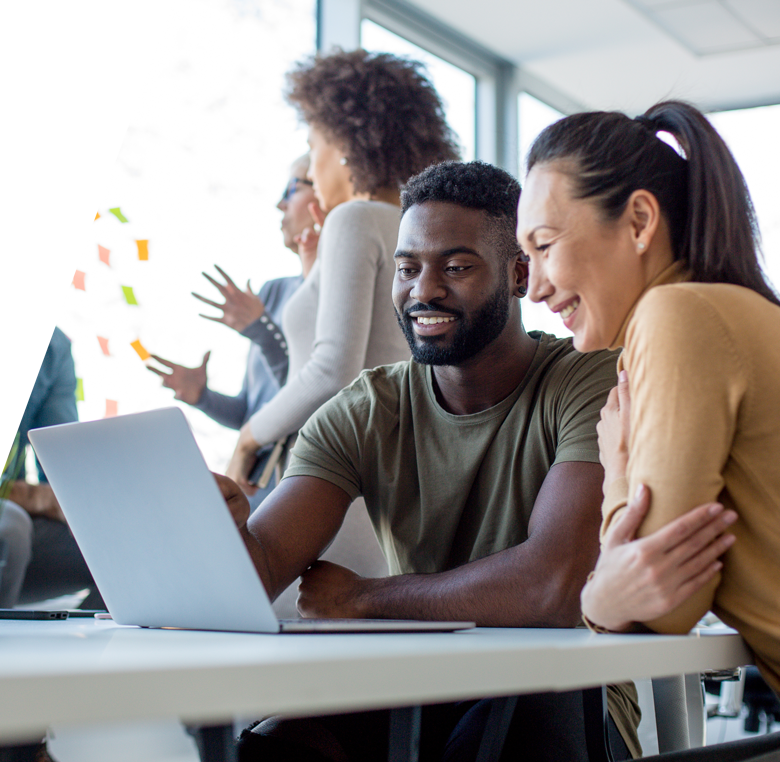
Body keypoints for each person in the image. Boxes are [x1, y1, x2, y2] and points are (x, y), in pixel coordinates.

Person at [216, 161, 641, 761]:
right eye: (408, 268)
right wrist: (220, 532)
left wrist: (366, 599)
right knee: (279, 746)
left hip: (562, 694)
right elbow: (260, 568)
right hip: (416, 690)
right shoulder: (367, 407)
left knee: (498, 729)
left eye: (458, 267)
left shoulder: (588, 381)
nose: (424, 290)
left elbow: (553, 588)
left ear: (519, 274)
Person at [517, 100, 780, 696]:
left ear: (638, 221)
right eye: (524, 258)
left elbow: (665, 605)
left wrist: (618, 462)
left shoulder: (675, 314)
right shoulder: (724, 311)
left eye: (546, 245)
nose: (532, 288)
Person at [225, 49, 460, 494]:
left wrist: (247, 437)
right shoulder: (418, 227)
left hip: (332, 474)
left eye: (314, 148)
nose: (312, 167)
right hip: (387, 466)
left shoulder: (354, 220)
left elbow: (333, 369)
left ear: (347, 143)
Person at [148, 154, 320, 509]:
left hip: (296, 481)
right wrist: (203, 397)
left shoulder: (335, 296)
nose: (280, 203)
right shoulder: (272, 291)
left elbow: (312, 389)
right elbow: (251, 412)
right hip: (255, 483)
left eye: (292, 188)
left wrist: (261, 330)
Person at [0, 325, 103, 609]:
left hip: (23, 521)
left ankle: (83, 651)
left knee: (128, 539)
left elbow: (63, 469)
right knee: (10, 527)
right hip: (9, 518)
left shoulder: (56, 348)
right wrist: (33, 497)